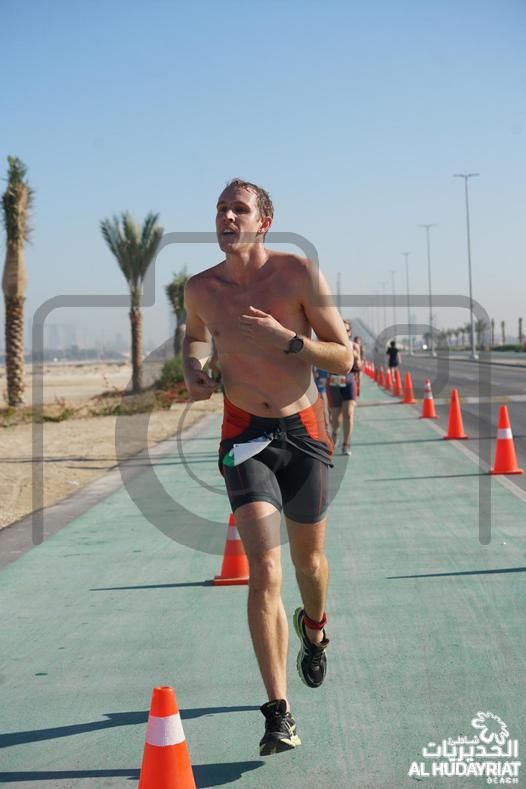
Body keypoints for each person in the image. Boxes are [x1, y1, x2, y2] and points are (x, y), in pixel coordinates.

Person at [183, 178, 353, 756]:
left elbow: (343, 356)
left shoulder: (298, 273)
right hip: (244, 434)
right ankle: (278, 712)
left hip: (303, 431)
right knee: (265, 570)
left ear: (264, 222)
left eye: (239, 209)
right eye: (221, 209)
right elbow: (194, 339)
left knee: (309, 563)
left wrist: (288, 340)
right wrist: (193, 370)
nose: (227, 217)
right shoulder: (201, 288)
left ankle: (315, 629)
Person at [326, 320, 362, 455]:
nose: (345, 333)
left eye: (347, 330)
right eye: (342, 329)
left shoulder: (355, 346)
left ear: (350, 332)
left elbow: (359, 366)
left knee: (348, 413)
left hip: (349, 381)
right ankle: (335, 435)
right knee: (335, 420)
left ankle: (346, 444)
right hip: (334, 382)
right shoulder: (331, 344)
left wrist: (356, 358)